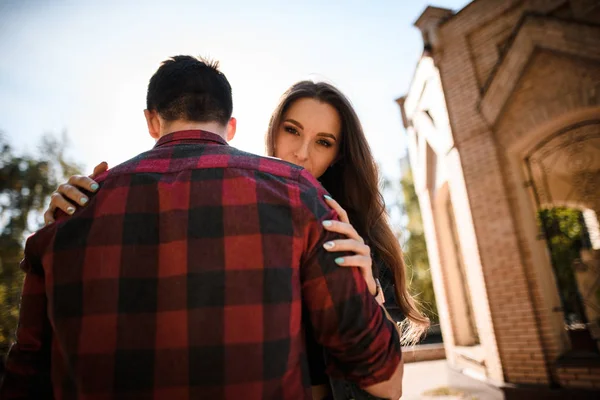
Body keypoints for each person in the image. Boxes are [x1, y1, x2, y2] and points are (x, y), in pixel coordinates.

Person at [0, 55, 403, 399]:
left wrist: (373, 290)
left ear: (152, 121)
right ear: (231, 126)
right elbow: (384, 374)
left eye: (324, 141)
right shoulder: (298, 198)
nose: (300, 153)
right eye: (292, 131)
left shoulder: (79, 212)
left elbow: (25, 375)